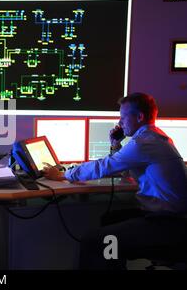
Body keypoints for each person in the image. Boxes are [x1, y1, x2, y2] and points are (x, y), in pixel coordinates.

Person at [43, 92, 187, 269]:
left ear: (140, 117)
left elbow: (104, 166)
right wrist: (115, 145)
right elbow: (123, 169)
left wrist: (64, 175)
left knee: (93, 241)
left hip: (168, 224)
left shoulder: (144, 142)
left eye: (123, 117)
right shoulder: (156, 138)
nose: (120, 123)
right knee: (110, 219)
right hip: (171, 218)